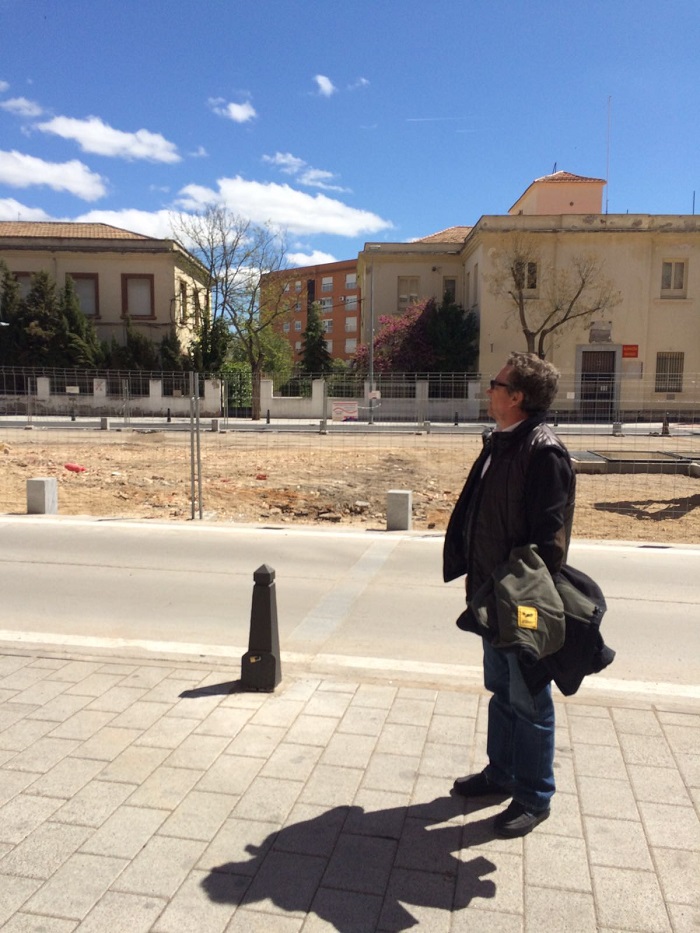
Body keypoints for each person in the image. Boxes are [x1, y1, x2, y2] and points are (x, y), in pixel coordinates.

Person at [443, 352, 576, 838]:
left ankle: (535, 795)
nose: (489, 389)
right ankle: (500, 773)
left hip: (517, 597)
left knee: (530, 698)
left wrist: (514, 594)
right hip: (487, 591)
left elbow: (549, 543)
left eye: (496, 383)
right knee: (501, 690)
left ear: (516, 396)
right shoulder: (501, 441)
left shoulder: (544, 452)